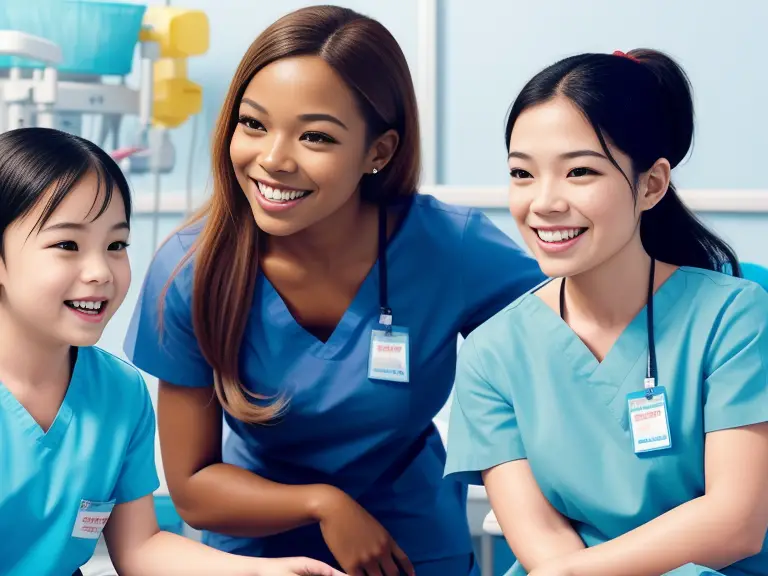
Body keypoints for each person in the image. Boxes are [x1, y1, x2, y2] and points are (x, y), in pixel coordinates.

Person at [123, 5, 544, 576]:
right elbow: (193, 487)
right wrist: (323, 506)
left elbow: (572, 342)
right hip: (256, 559)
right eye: (253, 124)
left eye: (315, 136)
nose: (272, 159)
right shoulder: (192, 270)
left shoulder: (450, 246)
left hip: (414, 554)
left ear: (379, 152)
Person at [444, 49, 768, 576]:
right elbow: (542, 542)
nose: (543, 202)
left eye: (579, 171)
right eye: (522, 174)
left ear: (652, 184)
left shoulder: (734, 315)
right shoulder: (491, 353)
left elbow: (735, 522)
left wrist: (573, 573)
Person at [0, 127, 346, 576]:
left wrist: (263, 572)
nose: (100, 271)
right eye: (67, 245)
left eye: (116, 245)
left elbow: (139, 547)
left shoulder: (120, 393)